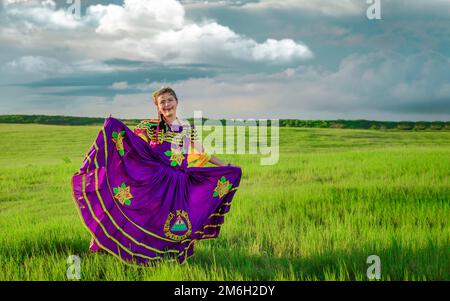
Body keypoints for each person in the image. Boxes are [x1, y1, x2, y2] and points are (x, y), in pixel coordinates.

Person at [72, 86, 242, 266]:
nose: (167, 105)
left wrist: (225, 166)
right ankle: (115, 246)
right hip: (154, 180)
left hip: (178, 183)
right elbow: (133, 144)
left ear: (177, 102)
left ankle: (164, 257)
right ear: (158, 107)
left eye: (170, 100)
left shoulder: (187, 128)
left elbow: (202, 153)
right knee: (144, 214)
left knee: (172, 221)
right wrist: (113, 125)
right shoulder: (150, 126)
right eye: (162, 102)